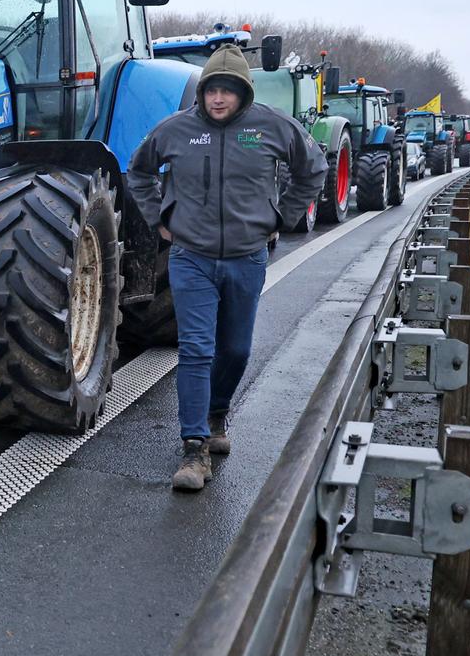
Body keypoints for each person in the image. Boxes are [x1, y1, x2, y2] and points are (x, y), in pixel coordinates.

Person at [126, 44, 326, 492]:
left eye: (227, 91)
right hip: (190, 258)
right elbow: (138, 171)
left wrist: (283, 218)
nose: (218, 98)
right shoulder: (175, 130)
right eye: (210, 90)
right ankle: (194, 448)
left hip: (247, 258)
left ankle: (217, 413)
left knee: (234, 350)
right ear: (201, 93)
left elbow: (311, 169)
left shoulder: (273, 127)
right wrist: (161, 218)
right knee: (196, 349)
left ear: (244, 93)